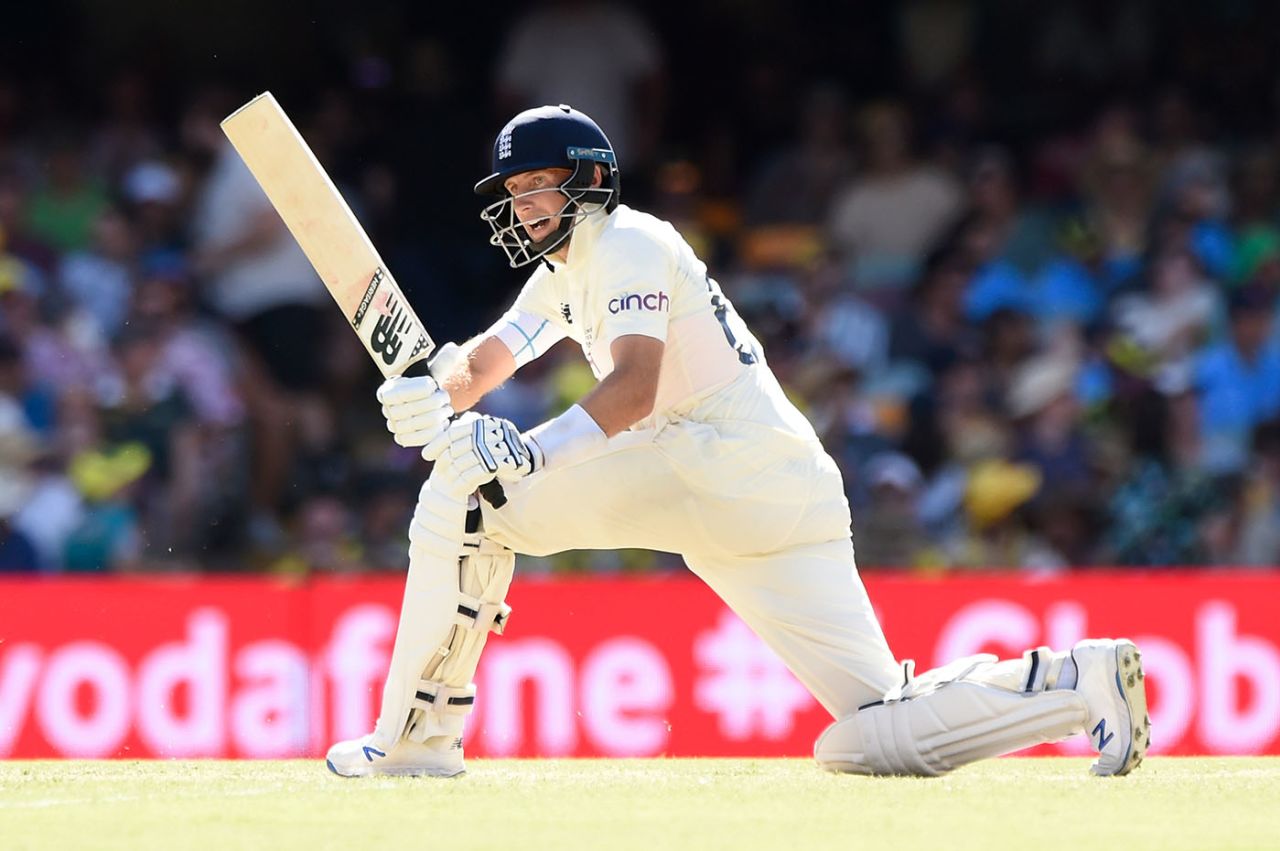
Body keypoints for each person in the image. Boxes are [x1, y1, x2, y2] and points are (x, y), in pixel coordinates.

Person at [325, 105, 1150, 779]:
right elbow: (488, 361)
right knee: (875, 731)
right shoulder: (564, 272)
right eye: (515, 190)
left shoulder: (628, 242)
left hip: (716, 457)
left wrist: (533, 453)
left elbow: (636, 388)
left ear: (592, 179)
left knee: (468, 494)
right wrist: (433, 388)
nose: (525, 204)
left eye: (539, 183)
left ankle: (416, 741)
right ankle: (1077, 683)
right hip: (782, 487)